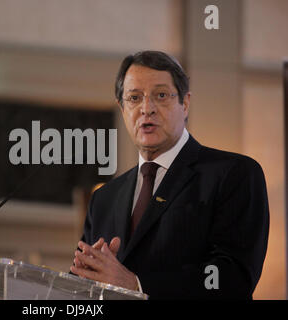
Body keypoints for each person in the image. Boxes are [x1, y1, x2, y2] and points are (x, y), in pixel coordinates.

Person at [70, 50, 269, 299]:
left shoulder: (234, 174)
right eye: (134, 98)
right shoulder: (104, 199)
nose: (147, 109)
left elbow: (232, 278)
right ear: (122, 109)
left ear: (184, 104)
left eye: (161, 95)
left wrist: (137, 286)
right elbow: (79, 286)